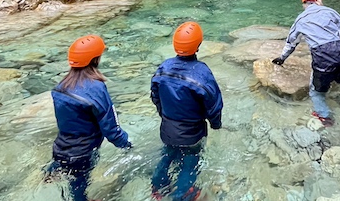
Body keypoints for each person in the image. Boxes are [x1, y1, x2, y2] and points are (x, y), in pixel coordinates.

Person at [47, 35, 132, 201]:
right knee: (79, 191)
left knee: (64, 173)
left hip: (60, 149)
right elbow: (111, 129)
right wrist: (127, 145)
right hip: (83, 154)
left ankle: (49, 174)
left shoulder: (60, 87)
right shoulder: (97, 89)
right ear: (96, 60)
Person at [151, 21, 223, 201]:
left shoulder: (164, 67)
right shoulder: (202, 73)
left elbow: (155, 95)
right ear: (198, 45)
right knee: (190, 164)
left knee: (168, 154)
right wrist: (216, 124)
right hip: (192, 133)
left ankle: (157, 187)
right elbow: (214, 104)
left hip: (167, 128)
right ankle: (182, 195)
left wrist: (163, 114)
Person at [272, 0, 340, 127]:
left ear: (304, 4)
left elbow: (291, 43)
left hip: (322, 57)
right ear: (318, 0)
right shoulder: (331, 12)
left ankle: (325, 117)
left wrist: (282, 58)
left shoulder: (300, 20)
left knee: (316, 92)